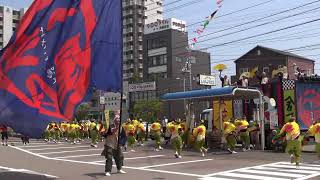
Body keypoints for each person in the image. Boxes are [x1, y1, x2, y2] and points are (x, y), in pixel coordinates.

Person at [102, 112, 126, 176]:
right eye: (117, 119)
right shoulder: (111, 126)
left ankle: (119, 169)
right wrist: (117, 127)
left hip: (117, 144)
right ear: (114, 120)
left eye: (119, 119)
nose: (118, 120)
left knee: (120, 156)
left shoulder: (121, 127)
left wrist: (123, 143)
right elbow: (111, 132)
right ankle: (108, 171)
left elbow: (123, 136)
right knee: (109, 158)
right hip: (109, 144)